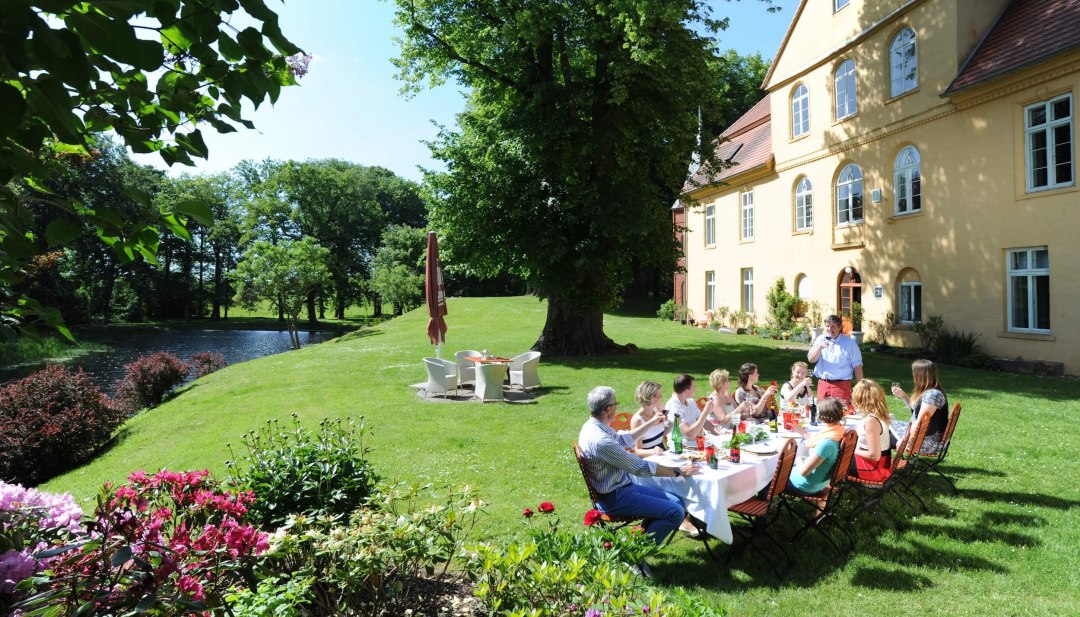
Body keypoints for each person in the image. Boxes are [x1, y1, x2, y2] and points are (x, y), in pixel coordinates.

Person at [578, 386, 699, 547]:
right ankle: (636, 553)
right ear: (608, 409)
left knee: (677, 502)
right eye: (616, 404)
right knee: (675, 512)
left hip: (622, 487)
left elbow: (622, 439)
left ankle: (636, 540)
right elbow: (639, 467)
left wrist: (650, 423)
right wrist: (678, 471)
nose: (617, 407)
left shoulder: (593, 426)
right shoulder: (600, 440)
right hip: (614, 498)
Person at [786, 398, 845, 495]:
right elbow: (815, 439)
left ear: (822, 416)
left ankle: (763, 502)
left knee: (769, 478)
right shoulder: (838, 431)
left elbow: (804, 472)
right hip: (822, 481)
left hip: (806, 486)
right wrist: (801, 431)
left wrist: (797, 458)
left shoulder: (827, 443)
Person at [891, 359, 949, 455]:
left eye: (914, 373)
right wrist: (904, 396)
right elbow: (916, 411)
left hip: (927, 442)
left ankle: (879, 461)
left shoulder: (932, 395)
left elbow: (920, 422)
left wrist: (905, 440)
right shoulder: (931, 391)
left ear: (921, 375)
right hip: (921, 436)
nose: (913, 376)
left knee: (882, 431)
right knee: (885, 424)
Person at [807, 314, 864, 403]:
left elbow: (857, 367)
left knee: (840, 411)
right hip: (823, 385)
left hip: (841, 386)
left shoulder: (850, 343)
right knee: (821, 410)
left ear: (839, 327)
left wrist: (861, 387)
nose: (830, 329)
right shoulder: (820, 339)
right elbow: (811, 360)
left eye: (833, 326)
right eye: (827, 326)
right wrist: (819, 348)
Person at [849, 379, 893, 482]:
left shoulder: (871, 421)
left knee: (834, 456)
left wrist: (853, 450)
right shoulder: (880, 415)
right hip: (881, 465)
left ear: (860, 399)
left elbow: (874, 456)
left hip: (873, 469)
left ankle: (821, 486)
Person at [665, 374, 717, 442]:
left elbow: (704, 422)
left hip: (696, 440)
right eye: (694, 386)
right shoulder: (674, 407)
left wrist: (720, 435)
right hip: (681, 444)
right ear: (686, 391)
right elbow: (690, 434)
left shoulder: (690, 401)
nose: (695, 388)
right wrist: (705, 412)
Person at [629, 380, 671, 456]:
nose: (661, 397)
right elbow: (637, 451)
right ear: (650, 397)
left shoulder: (658, 410)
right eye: (659, 395)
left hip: (663, 453)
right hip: (648, 458)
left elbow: (661, 434)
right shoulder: (637, 420)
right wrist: (652, 451)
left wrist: (674, 422)